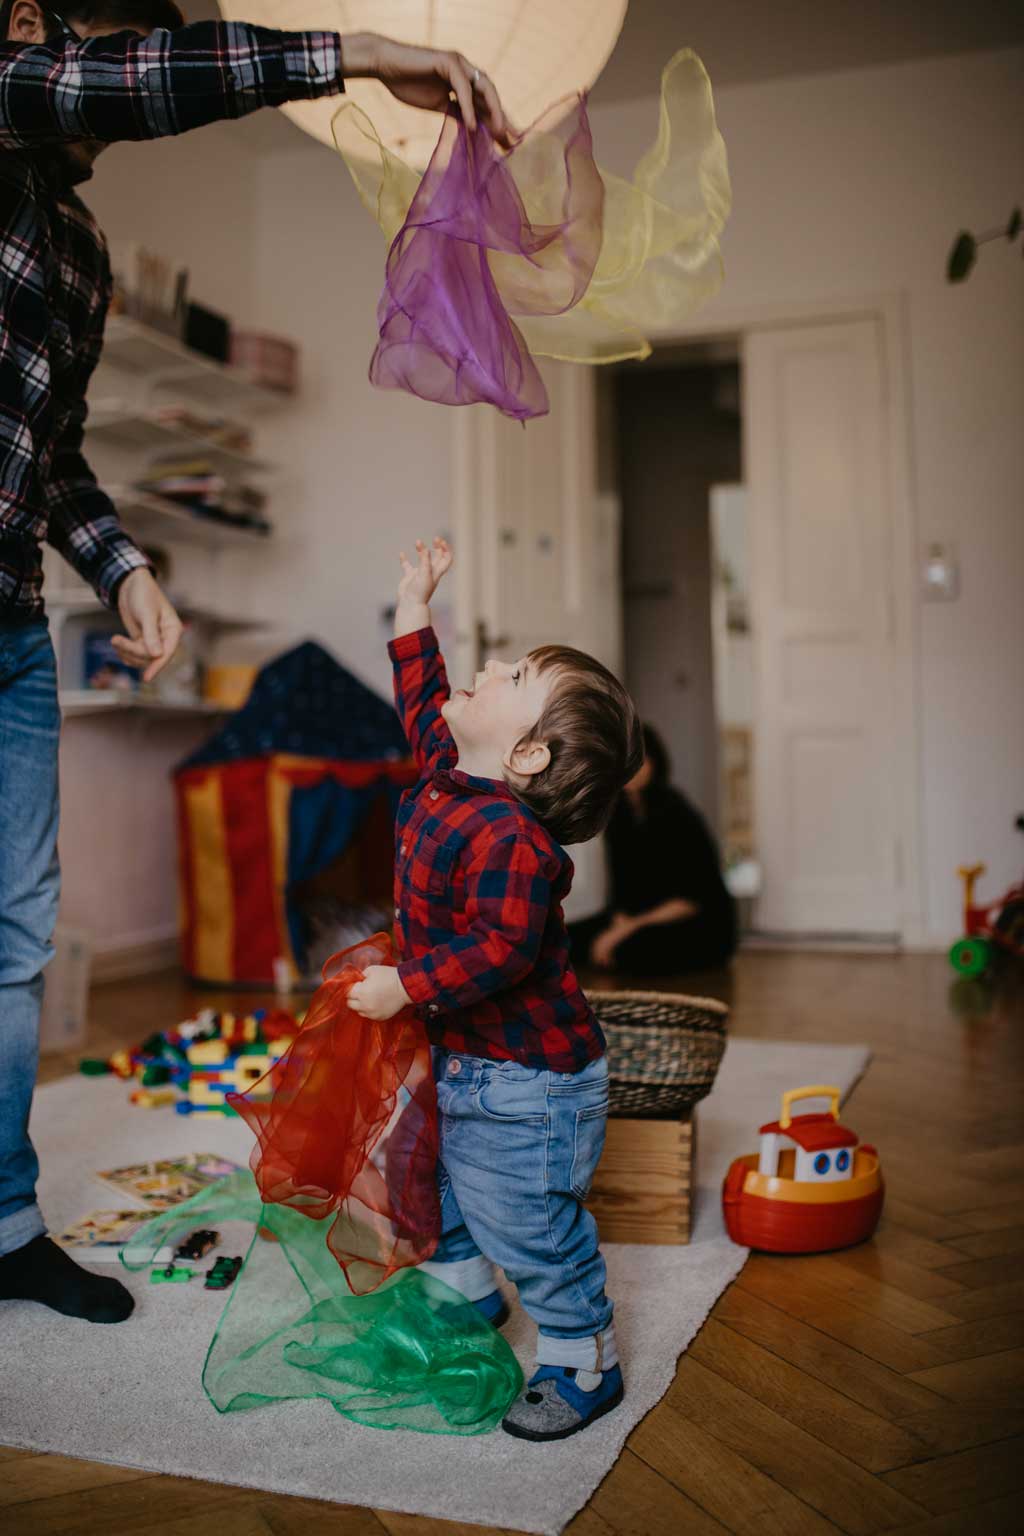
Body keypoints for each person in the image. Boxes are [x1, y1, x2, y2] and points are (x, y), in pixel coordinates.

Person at [0, 2, 510, 1326]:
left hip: (9, 627)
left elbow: (50, 466)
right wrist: (369, 54)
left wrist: (125, 565)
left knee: (13, 934)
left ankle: (3, 1222)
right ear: (33, 25)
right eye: (110, 41)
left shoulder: (76, 243)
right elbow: (138, 72)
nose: (113, 92)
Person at [348, 537, 643, 1441]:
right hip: (463, 1054)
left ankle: (583, 1354)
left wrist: (409, 985)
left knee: (528, 1223)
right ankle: (466, 1290)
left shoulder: (512, 841)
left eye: (512, 674)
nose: (485, 666)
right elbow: (418, 699)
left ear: (526, 755)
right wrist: (413, 604)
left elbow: (504, 949)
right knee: (429, 1175)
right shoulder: (451, 770)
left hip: (529, 1083)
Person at [570, 723, 737, 976]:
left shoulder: (677, 813)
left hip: (692, 920)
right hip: (639, 917)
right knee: (564, 938)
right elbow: (622, 887)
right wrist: (619, 922)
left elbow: (691, 900)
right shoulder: (618, 814)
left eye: (640, 761)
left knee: (629, 950)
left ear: (655, 763)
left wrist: (624, 931)